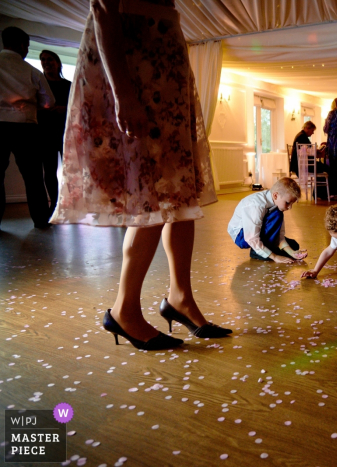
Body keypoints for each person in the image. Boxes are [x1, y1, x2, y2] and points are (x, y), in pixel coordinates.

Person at [50, 0, 228, 349]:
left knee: (179, 192)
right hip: (134, 63)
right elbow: (103, 7)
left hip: (164, 62)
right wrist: (124, 93)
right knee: (148, 189)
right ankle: (124, 309)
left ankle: (180, 297)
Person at [0, 26, 54, 229]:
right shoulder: (31, 71)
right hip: (25, 126)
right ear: (22, 45)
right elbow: (49, 101)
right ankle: (40, 219)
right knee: (33, 177)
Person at [227, 177, 308, 263]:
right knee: (277, 214)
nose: (290, 207)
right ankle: (256, 252)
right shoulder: (257, 205)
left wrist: (291, 252)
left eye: (292, 204)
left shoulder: (276, 204)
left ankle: (265, 249)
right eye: (287, 203)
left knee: (294, 245)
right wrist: (275, 257)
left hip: (255, 232)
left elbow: (279, 234)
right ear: (275, 195)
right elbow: (251, 238)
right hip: (242, 236)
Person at [38, 49, 71, 217]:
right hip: (46, 133)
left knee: (70, 170)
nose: (46, 62)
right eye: (43, 60)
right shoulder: (38, 85)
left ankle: (70, 204)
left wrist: (64, 109)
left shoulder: (68, 85)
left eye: (49, 59)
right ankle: (55, 204)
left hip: (66, 134)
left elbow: (77, 108)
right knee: (49, 171)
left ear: (58, 63)